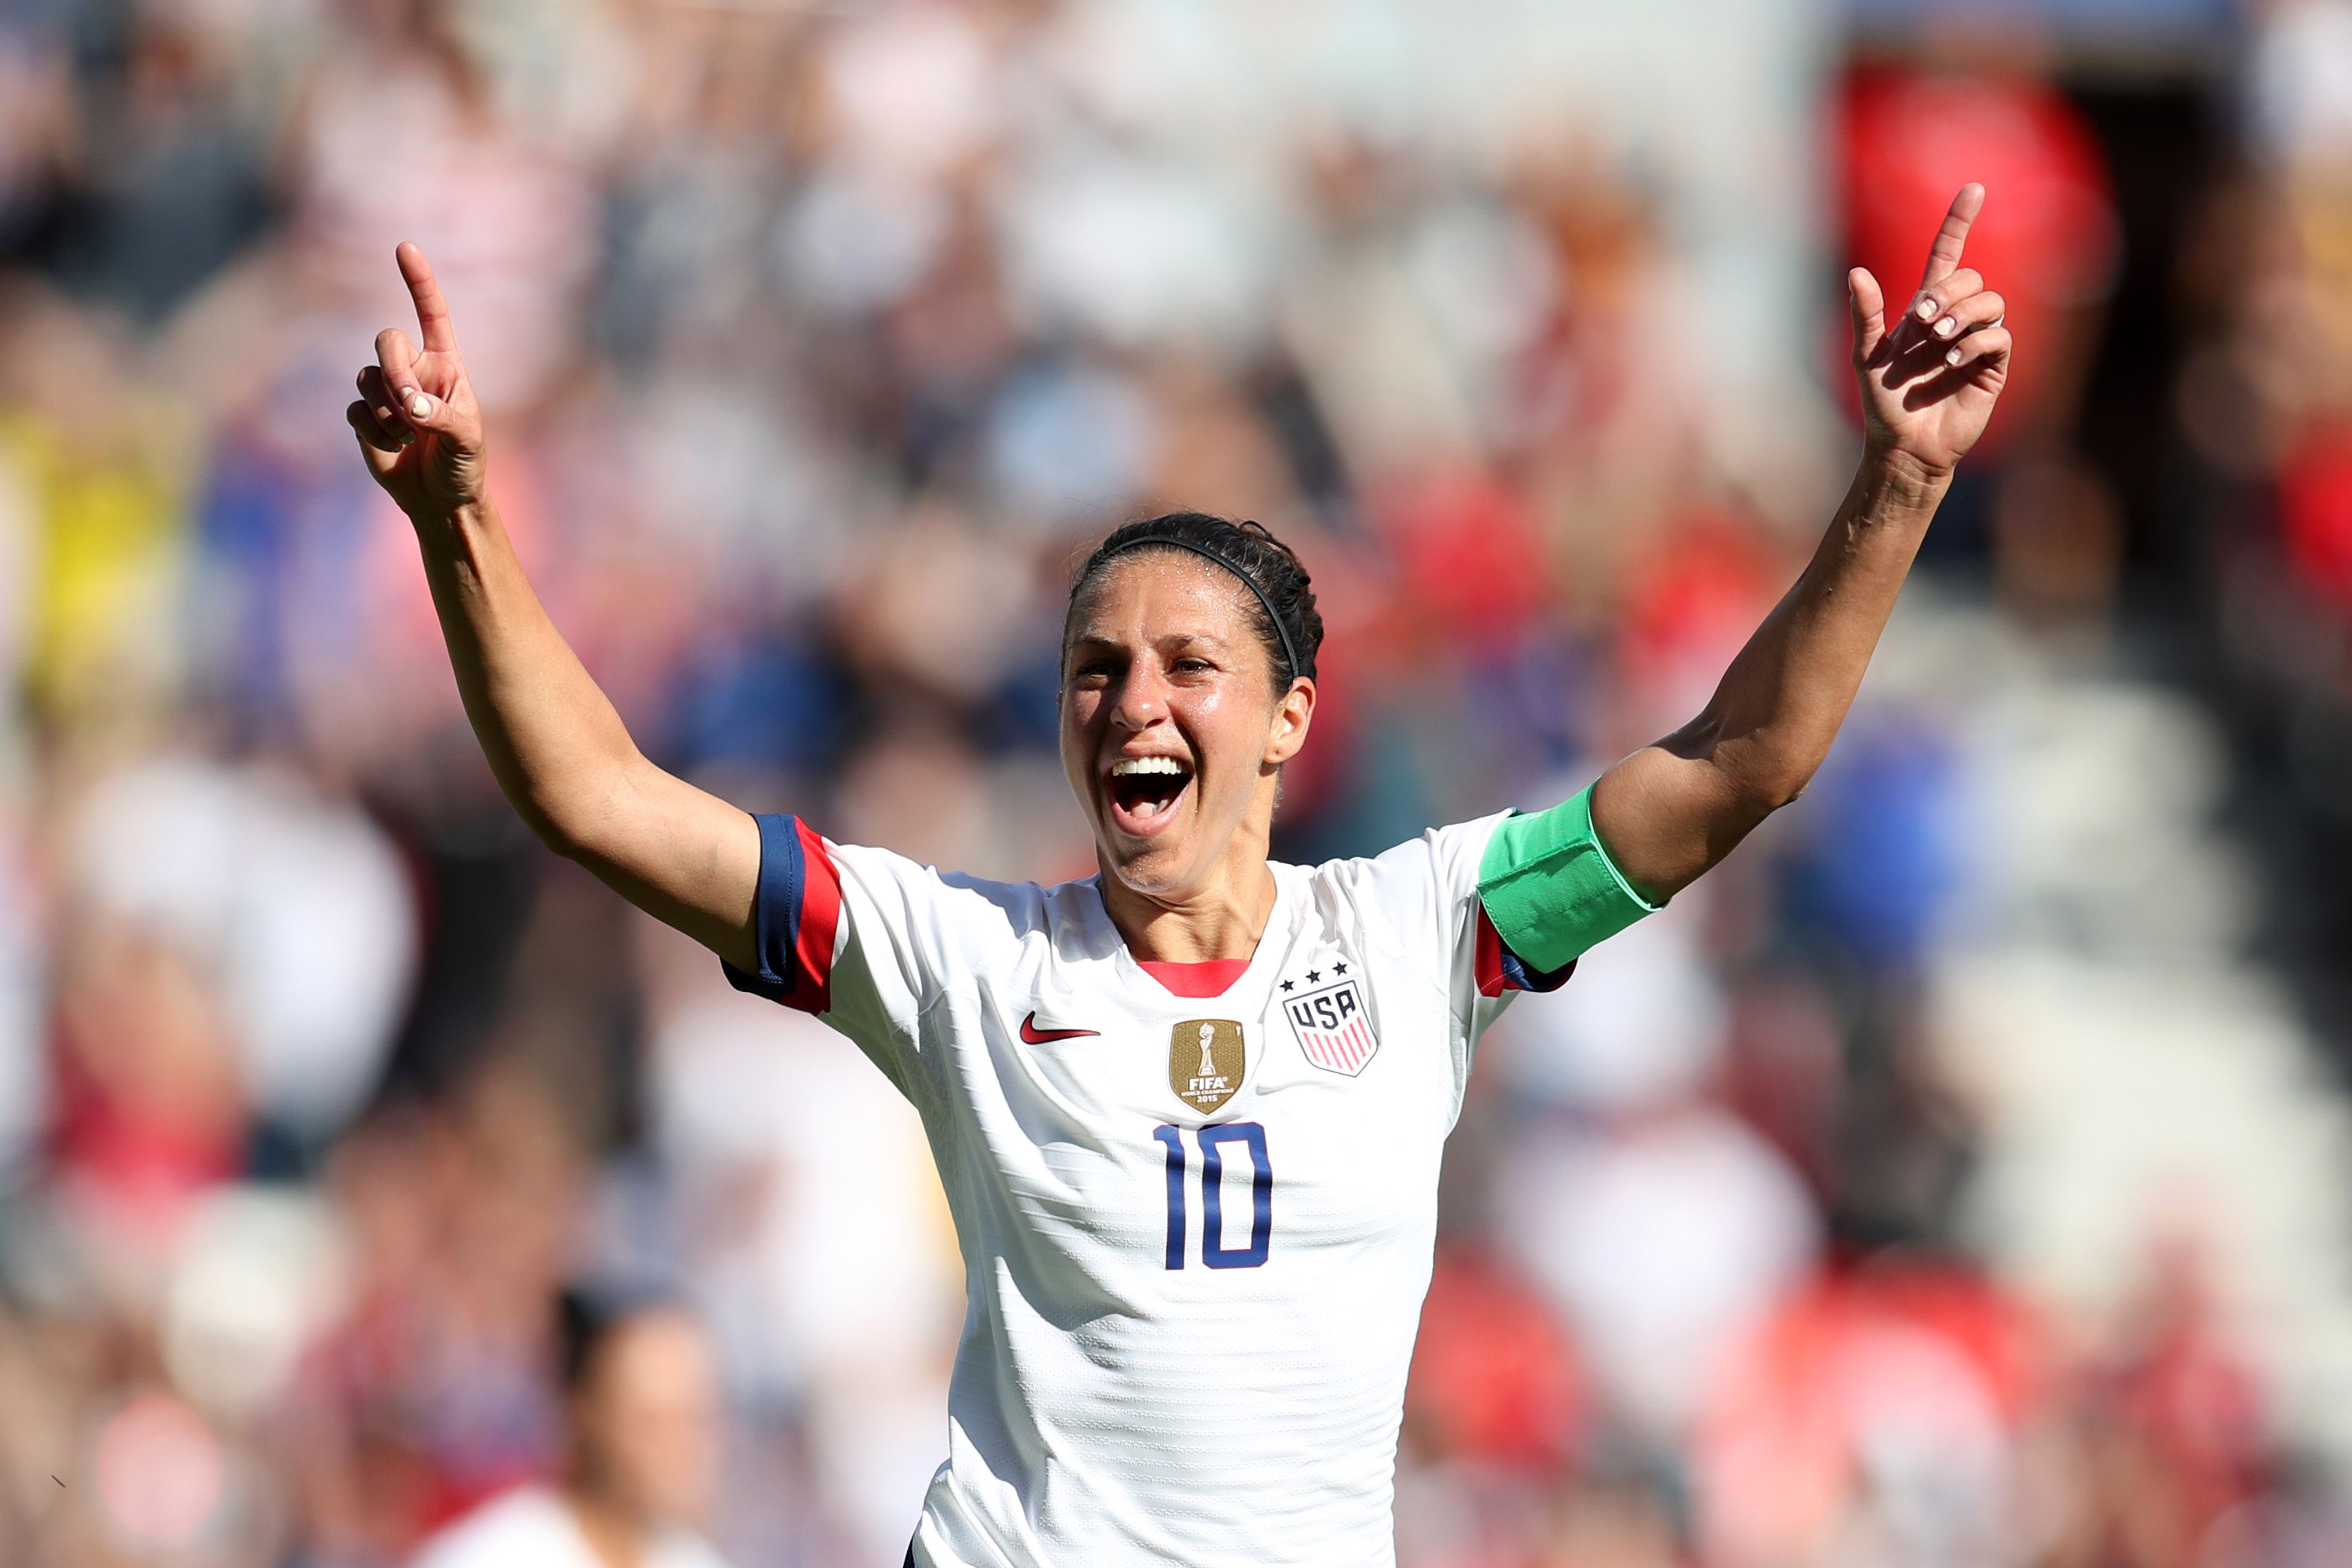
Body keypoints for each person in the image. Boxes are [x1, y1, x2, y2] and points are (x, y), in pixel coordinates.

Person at [347, 185, 2011, 1567]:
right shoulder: (967, 961)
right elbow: (594, 794)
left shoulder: (1428, 929)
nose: (1133, 701)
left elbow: (1741, 762)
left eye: (1186, 665)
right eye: (1094, 667)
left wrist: (1905, 475)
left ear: (1291, 716)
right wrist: (459, 523)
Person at [409, 1287, 731, 1568]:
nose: (684, 1450)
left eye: (697, 1419)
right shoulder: (491, 1557)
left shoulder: (695, 1561)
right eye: (654, 1423)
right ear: (589, 1416)